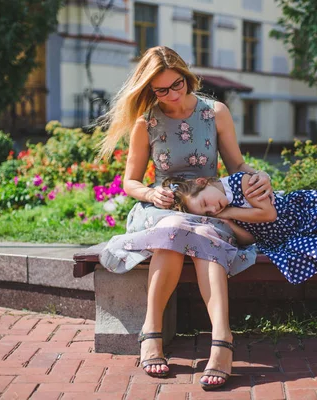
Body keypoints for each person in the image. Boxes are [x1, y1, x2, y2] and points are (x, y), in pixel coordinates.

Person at [96, 46, 273, 390]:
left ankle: (220, 341)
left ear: (187, 77)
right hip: (161, 209)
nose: (173, 95)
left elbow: (236, 165)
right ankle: (154, 331)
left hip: (207, 209)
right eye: (161, 90)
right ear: (150, 89)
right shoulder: (145, 121)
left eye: (177, 85)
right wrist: (149, 193)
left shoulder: (215, 112)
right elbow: (129, 181)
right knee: (173, 227)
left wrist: (258, 175)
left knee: (193, 234)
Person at [162, 172, 317, 284]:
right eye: (206, 213)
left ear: (203, 182)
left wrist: (228, 212)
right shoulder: (223, 214)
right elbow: (249, 237)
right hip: (286, 239)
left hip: (302, 215)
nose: (213, 210)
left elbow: (268, 214)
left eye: (207, 203)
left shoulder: (241, 182)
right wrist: (228, 223)